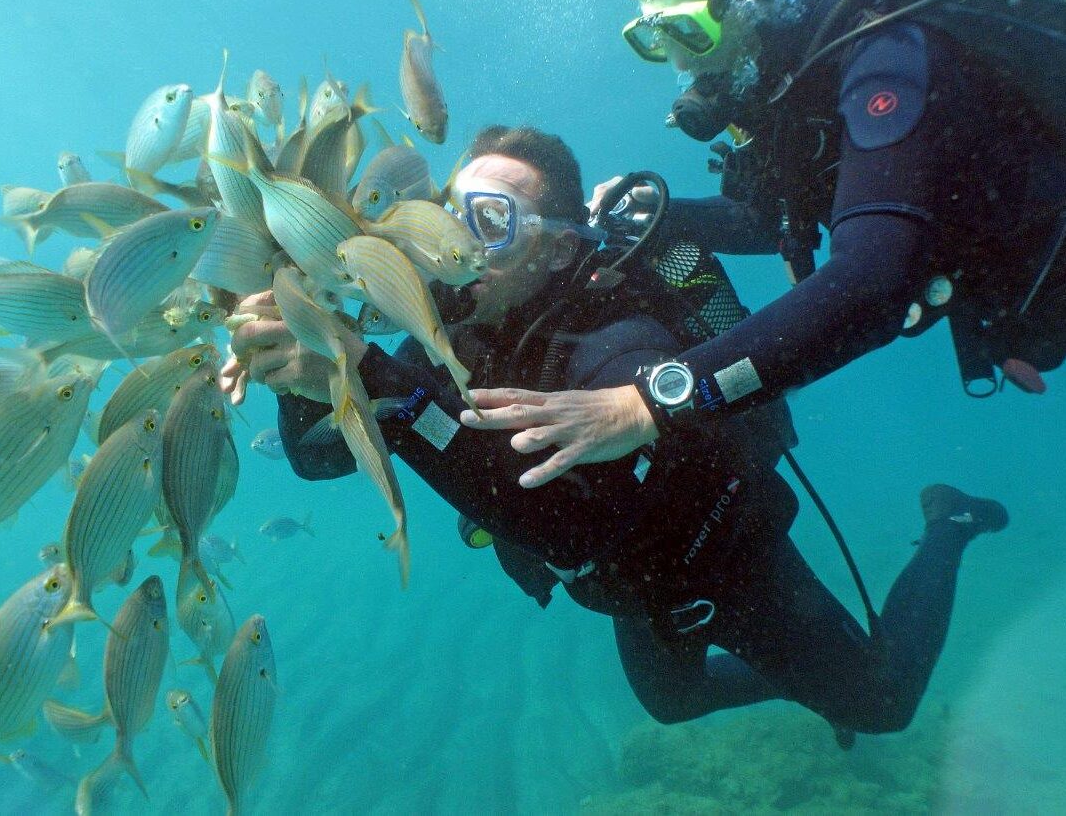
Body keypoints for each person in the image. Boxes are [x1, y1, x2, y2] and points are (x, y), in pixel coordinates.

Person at [220, 125, 1010, 739]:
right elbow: (320, 461)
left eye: (488, 221)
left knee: (880, 701)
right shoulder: (443, 332)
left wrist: (380, 382)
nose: (447, 243)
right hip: (629, 590)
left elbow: (580, 528)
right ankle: (807, 674)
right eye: (444, 215)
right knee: (672, 705)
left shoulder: (618, 342)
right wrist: (312, 364)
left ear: (559, 244)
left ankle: (949, 523)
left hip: (722, 558)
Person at [459, 0, 1066, 491]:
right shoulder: (790, 91)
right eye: (655, 38)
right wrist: (677, 217)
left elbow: (874, 282)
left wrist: (652, 402)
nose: (681, 61)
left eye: (690, 29)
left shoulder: (884, 58)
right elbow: (774, 218)